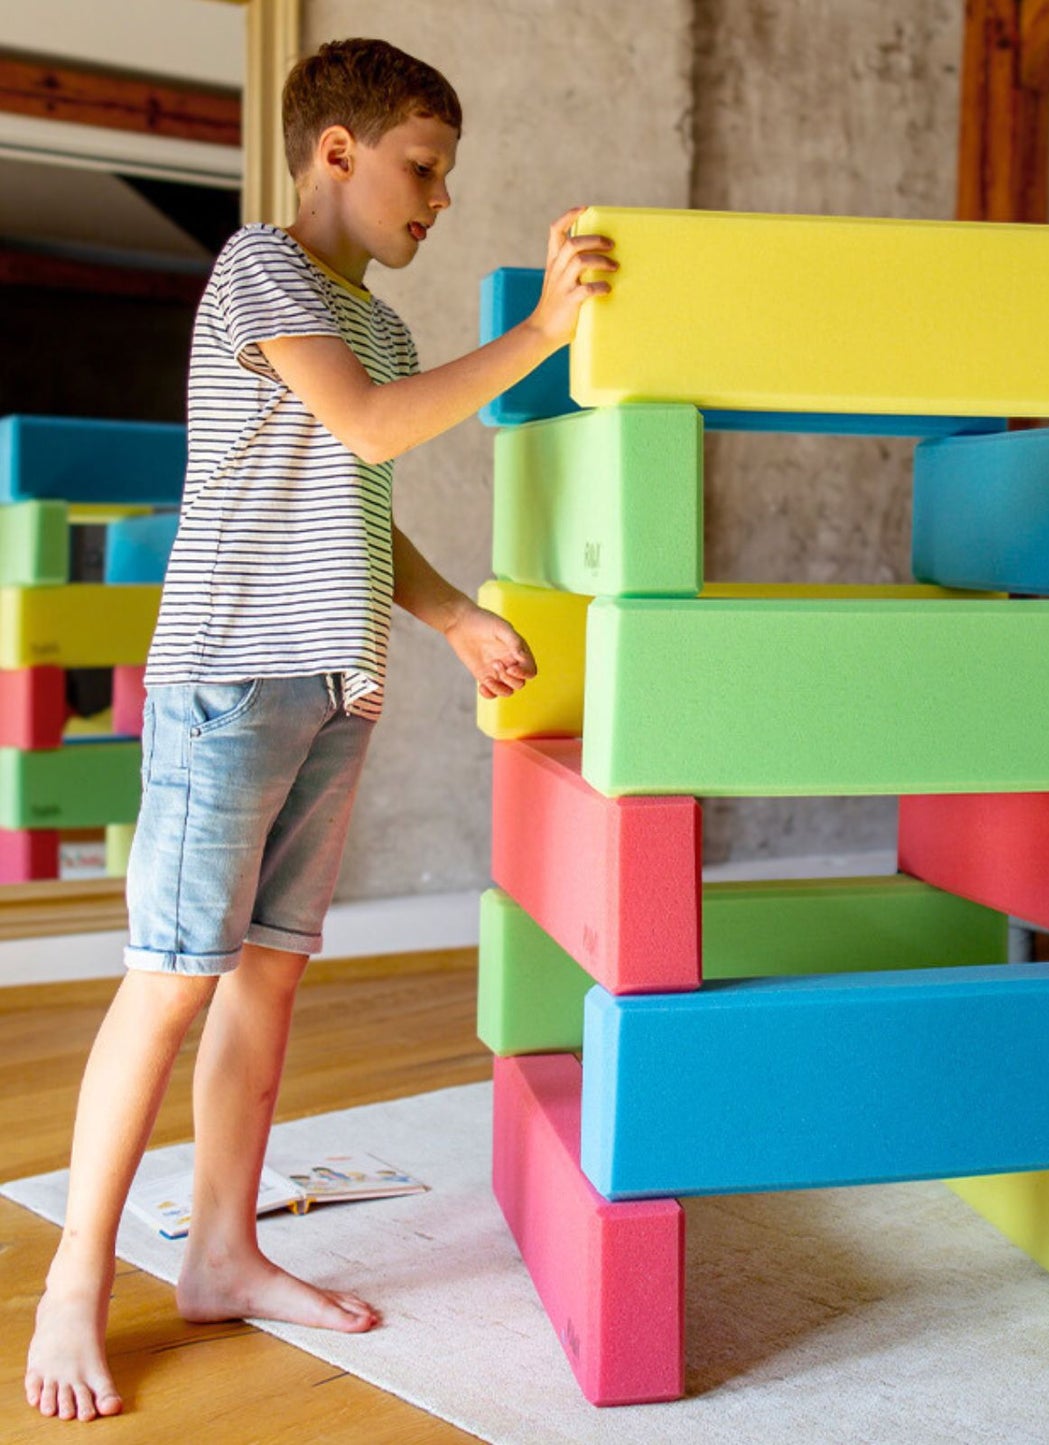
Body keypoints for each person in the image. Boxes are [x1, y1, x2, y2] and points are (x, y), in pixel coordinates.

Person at [24, 36, 617, 1423]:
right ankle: (72, 1279)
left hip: (332, 684)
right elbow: (368, 430)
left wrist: (455, 617)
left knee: (267, 978)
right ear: (337, 152)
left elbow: (358, 498)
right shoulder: (260, 269)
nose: (440, 197)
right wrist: (540, 332)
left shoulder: (385, 330)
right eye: (424, 167)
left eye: (447, 174)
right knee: (172, 976)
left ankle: (223, 1252)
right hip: (230, 679)